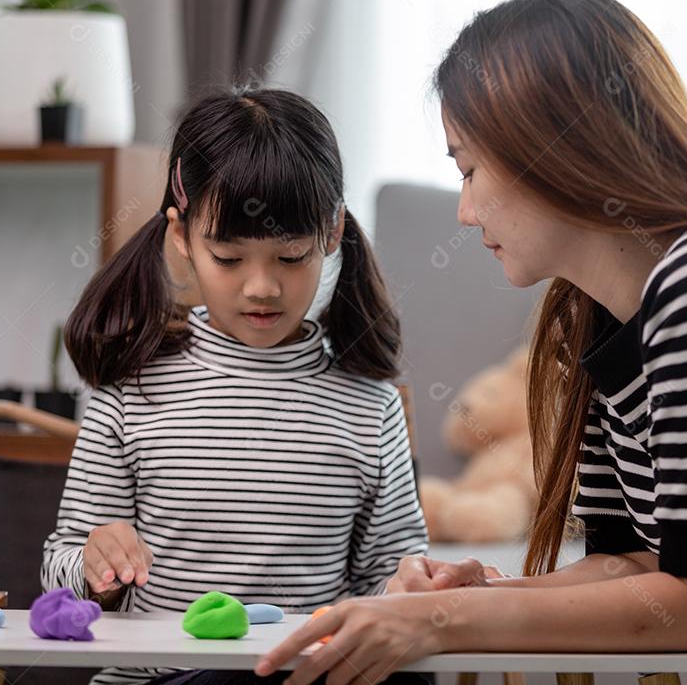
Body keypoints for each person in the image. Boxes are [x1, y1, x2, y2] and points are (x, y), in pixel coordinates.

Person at [257, 0, 687, 685]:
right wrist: (477, 596)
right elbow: (636, 567)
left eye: (469, 168)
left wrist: (433, 621)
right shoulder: (598, 317)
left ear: (551, 148)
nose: (466, 212)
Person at [41, 87, 429, 685]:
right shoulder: (130, 389)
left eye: (291, 256)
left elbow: (388, 576)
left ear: (331, 233)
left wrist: (411, 586)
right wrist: (94, 563)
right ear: (181, 237)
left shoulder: (369, 405)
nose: (261, 288)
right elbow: (59, 567)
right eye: (228, 258)